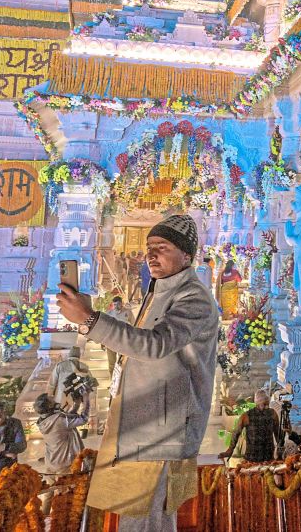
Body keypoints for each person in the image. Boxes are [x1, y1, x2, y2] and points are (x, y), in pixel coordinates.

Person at [57, 213, 219, 531]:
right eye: (149, 247)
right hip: (146, 420)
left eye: (163, 246)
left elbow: (153, 346)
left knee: (140, 517)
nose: (152, 254)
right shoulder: (160, 290)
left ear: (187, 255)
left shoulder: (194, 298)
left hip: (161, 428)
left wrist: (90, 320)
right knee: (150, 517)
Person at [220, 390, 282, 463]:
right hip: (251, 459)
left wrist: (280, 451)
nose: (266, 406)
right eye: (264, 403)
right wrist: (230, 450)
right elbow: (236, 433)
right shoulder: (246, 416)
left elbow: (278, 435)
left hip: (268, 459)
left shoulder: (272, 413)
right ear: (257, 403)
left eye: (266, 404)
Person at [34, 393, 86, 477]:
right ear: (49, 405)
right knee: (66, 488)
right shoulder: (58, 420)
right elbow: (83, 419)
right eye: (52, 400)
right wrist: (86, 399)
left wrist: (77, 404)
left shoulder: (44, 420)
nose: (55, 401)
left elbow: (67, 419)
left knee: (53, 487)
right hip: (64, 465)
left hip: (52, 462)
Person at [49, 346, 96, 415]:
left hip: (60, 399)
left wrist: (50, 398)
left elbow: (52, 384)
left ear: (69, 355)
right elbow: (92, 386)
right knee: (72, 419)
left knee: (60, 418)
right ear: (79, 356)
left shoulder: (60, 366)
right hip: (76, 400)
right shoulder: (84, 367)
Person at [101, 296, 130, 375]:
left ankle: (121, 381)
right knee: (111, 363)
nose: (116, 306)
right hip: (110, 341)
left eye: (118, 304)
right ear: (113, 304)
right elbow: (104, 328)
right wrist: (102, 342)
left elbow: (134, 325)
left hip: (123, 340)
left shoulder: (128, 313)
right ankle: (113, 383)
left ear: (121, 304)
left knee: (123, 362)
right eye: (115, 304)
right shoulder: (109, 314)